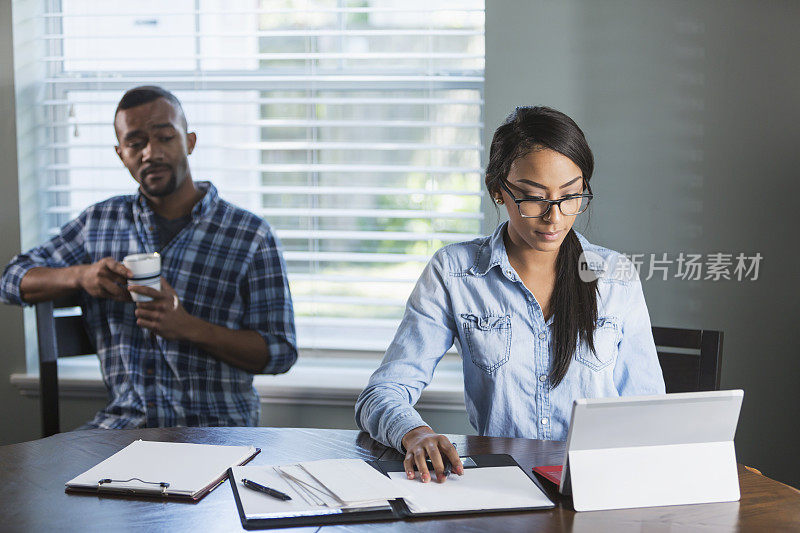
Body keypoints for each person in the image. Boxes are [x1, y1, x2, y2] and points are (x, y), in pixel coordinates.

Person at [355, 106, 665, 483]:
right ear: (498, 191)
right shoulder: (454, 273)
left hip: (596, 483)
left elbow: (647, 411)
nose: (555, 217)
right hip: (501, 482)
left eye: (571, 195)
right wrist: (416, 435)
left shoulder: (616, 277)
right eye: (534, 198)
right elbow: (382, 393)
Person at [0, 86, 297, 429]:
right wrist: (81, 276)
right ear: (120, 153)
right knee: (34, 478)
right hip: (122, 430)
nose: (150, 153)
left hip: (217, 433)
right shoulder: (99, 223)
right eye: (135, 143)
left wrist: (190, 328)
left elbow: (280, 351)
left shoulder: (250, 234)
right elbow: (11, 278)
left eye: (165, 137)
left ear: (190, 142)